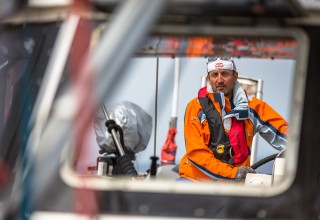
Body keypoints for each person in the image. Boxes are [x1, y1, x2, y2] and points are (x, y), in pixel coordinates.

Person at [178, 57, 288, 182]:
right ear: (209, 79)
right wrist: (233, 173)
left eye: (224, 74)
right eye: (214, 75)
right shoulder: (195, 107)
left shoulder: (254, 108)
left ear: (235, 76)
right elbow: (196, 153)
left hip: (235, 183)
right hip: (195, 180)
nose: (219, 80)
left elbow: (285, 135)